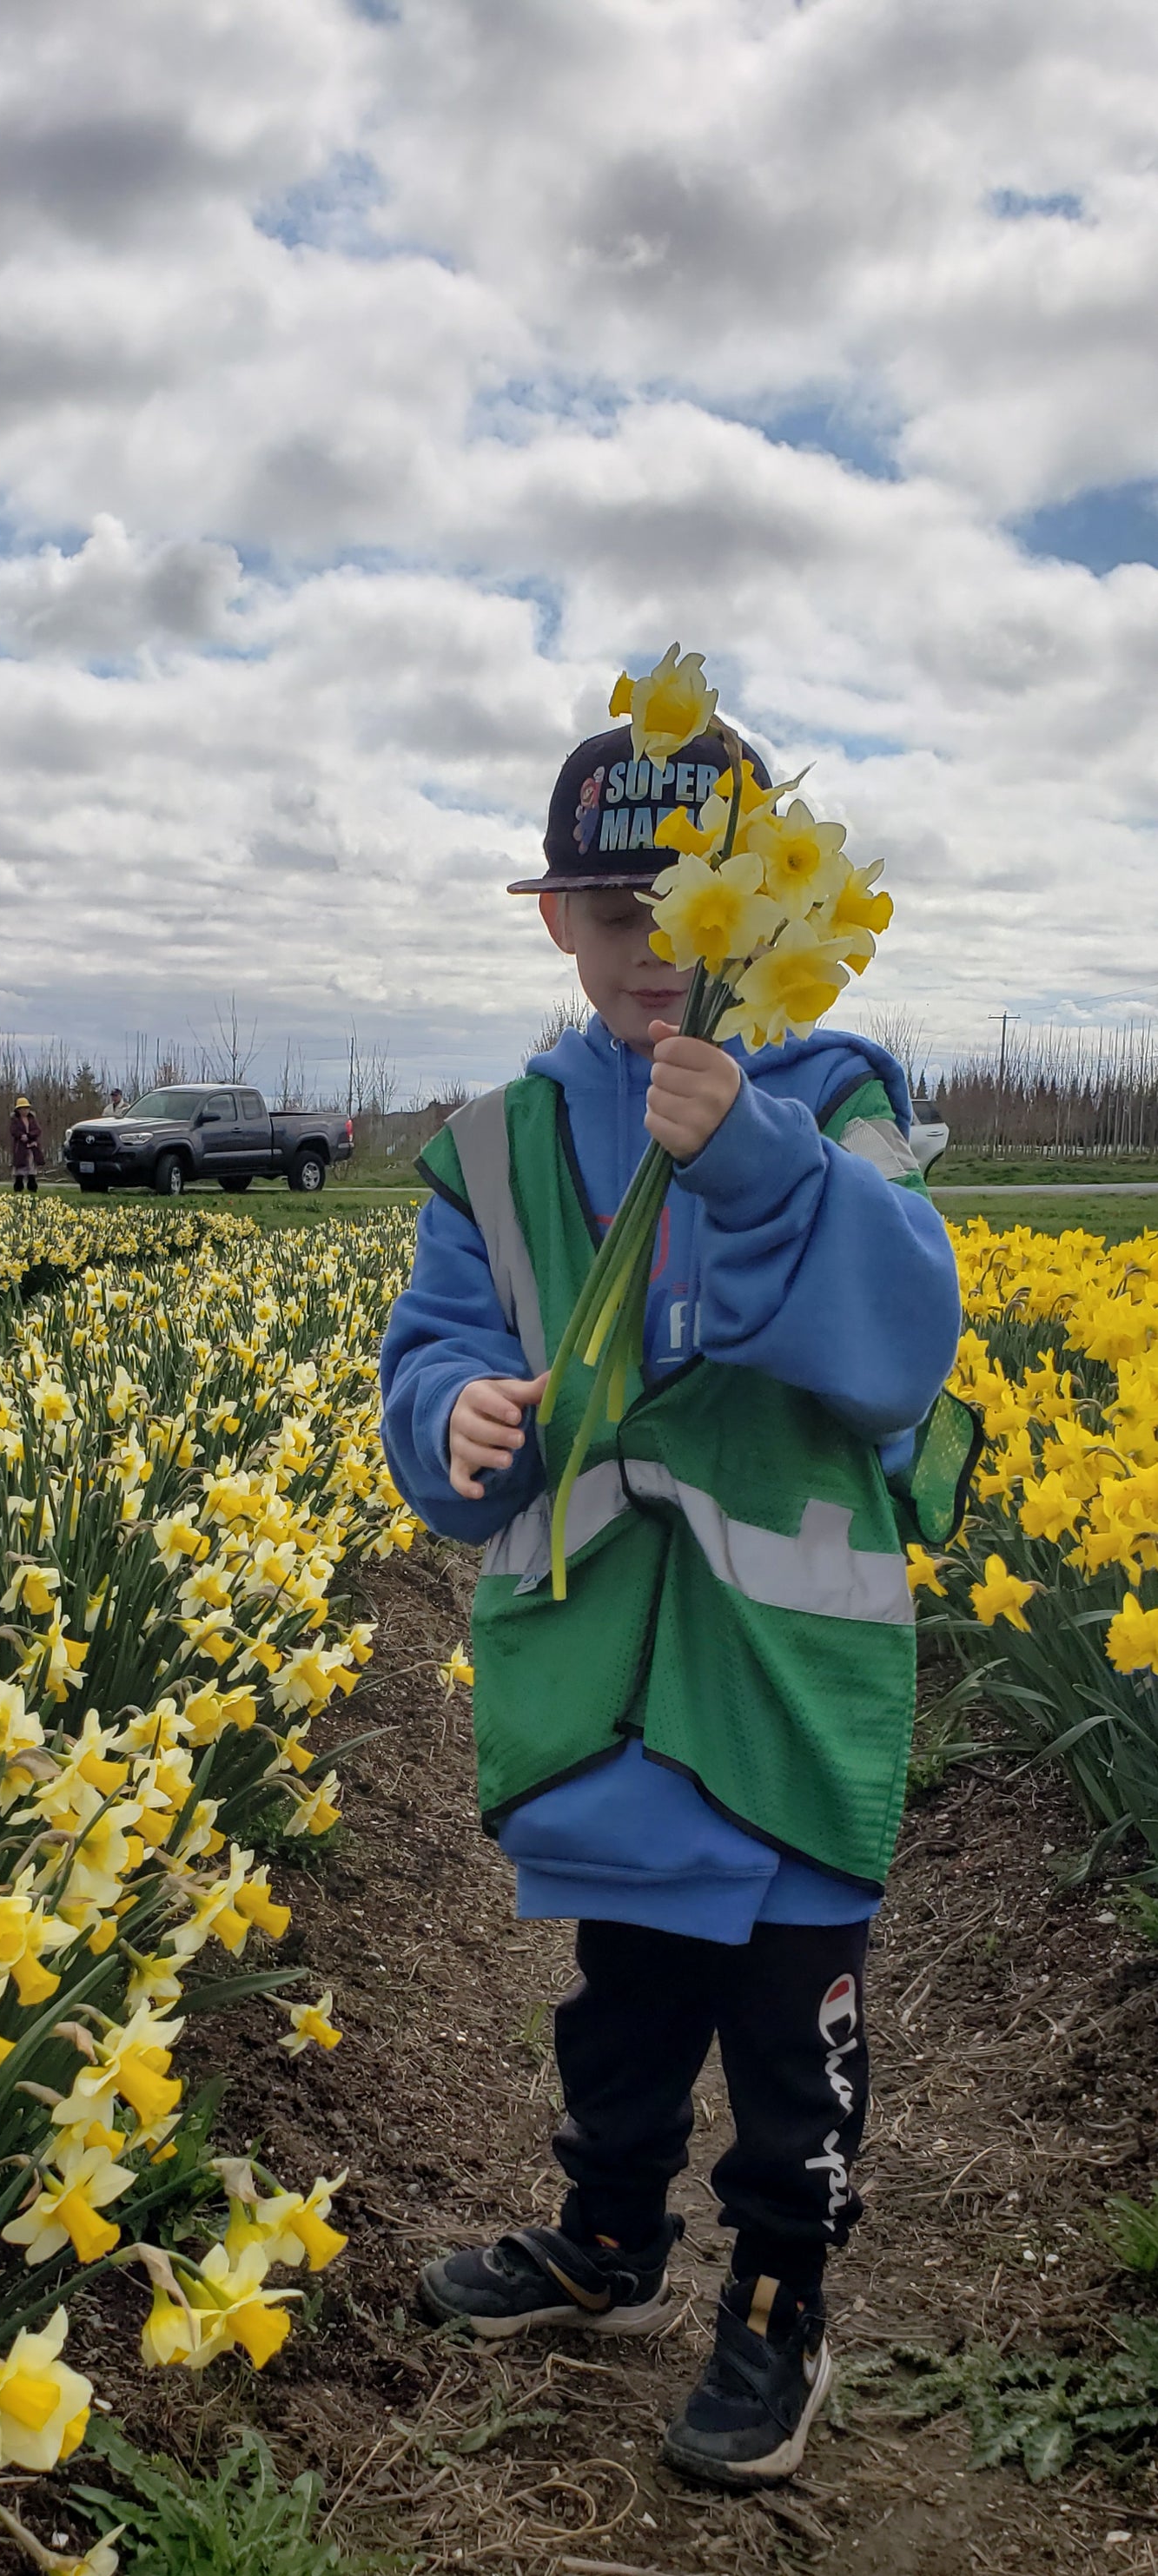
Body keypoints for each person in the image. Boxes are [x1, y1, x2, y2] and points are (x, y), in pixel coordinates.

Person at [379, 712, 964, 2487]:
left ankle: (778, 2305)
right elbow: (439, 1347)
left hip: (781, 1681)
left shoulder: (830, 1103)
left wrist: (754, 1160)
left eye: (693, 912)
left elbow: (902, 1339)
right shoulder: (496, 1144)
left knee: (791, 2038)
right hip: (606, 1685)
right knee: (621, 1991)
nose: (655, 953)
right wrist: (444, 1414)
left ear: (766, 925)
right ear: (553, 921)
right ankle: (606, 2235)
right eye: (612, 912)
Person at [10, 1093, 43, 1193]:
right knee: (20, 1169)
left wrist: (29, 1136)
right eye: (23, 1109)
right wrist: (21, 1136)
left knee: (31, 1169)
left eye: (27, 1108)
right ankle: (18, 1188)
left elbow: (37, 1130)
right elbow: (14, 1131)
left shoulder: (32, 1119)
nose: (25, 1110)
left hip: (31, 1148)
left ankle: (32, 1188)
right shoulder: (15, 1121)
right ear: (18, 1110)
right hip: (20, 1148)